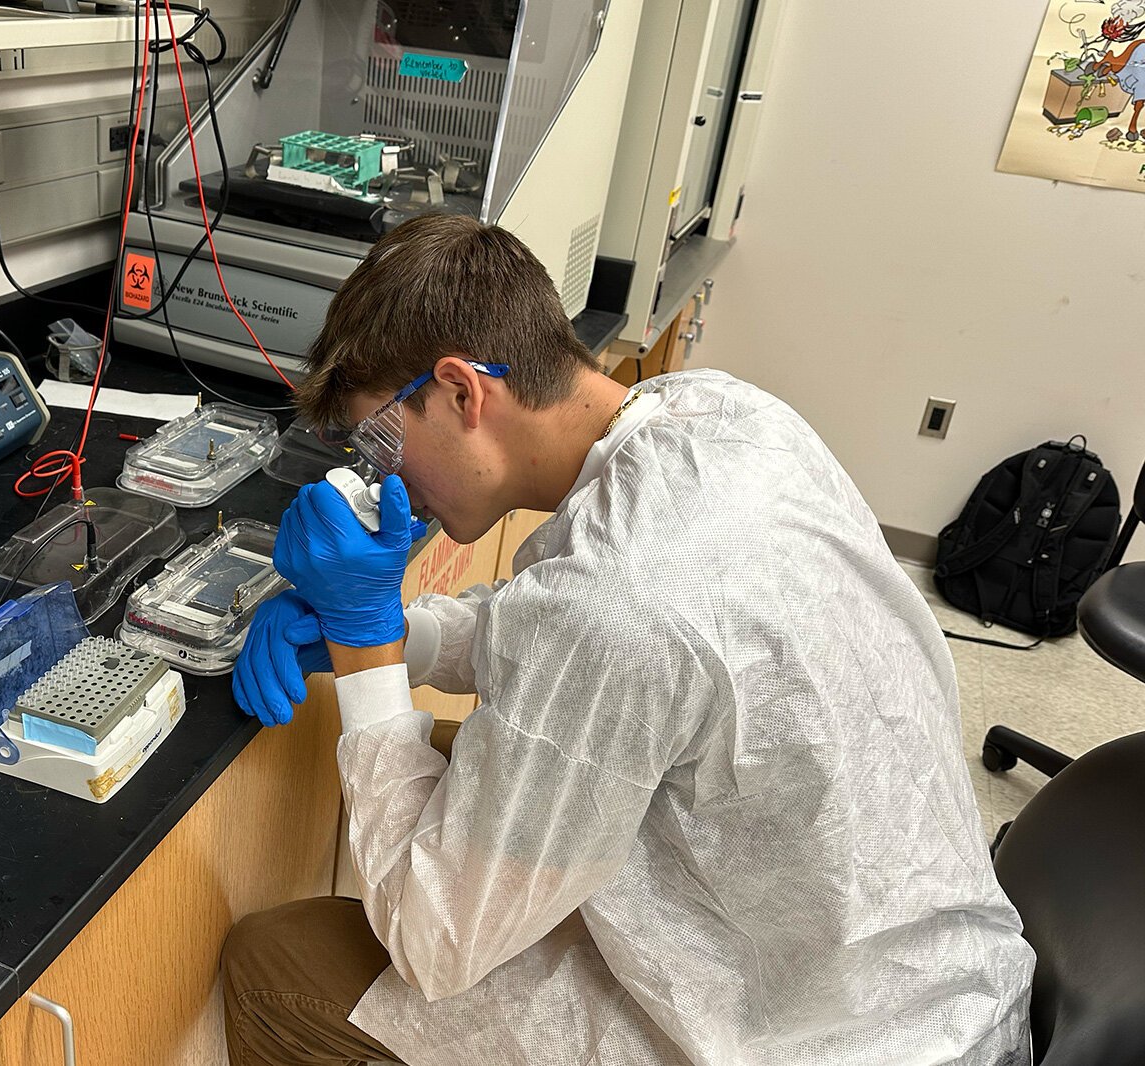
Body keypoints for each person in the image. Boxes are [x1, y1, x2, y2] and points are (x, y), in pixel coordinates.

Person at [222, 214, 1035, 1066]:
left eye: (384, 438)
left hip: (833, 1042)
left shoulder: (613, 603)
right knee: (475, 777)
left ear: (464, 392)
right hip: (933, 980)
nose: (386, 476)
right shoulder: (724, 414)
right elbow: (569, 636)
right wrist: (404, 637)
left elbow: (434, 942)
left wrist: (364, 659)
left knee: (276, 964)